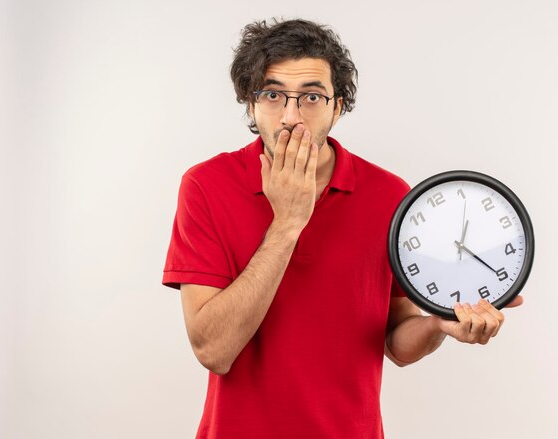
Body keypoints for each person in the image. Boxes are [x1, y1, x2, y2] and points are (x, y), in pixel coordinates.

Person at [162, 18, 522, 439]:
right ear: (250, 101)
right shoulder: (207, 185)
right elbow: (214, 350)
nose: (292, 116)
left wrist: (437, 324)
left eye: (312, 96)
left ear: (337, 106)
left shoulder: (389, 194)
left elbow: (396, 342)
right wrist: (288, 223)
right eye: (273, 94)